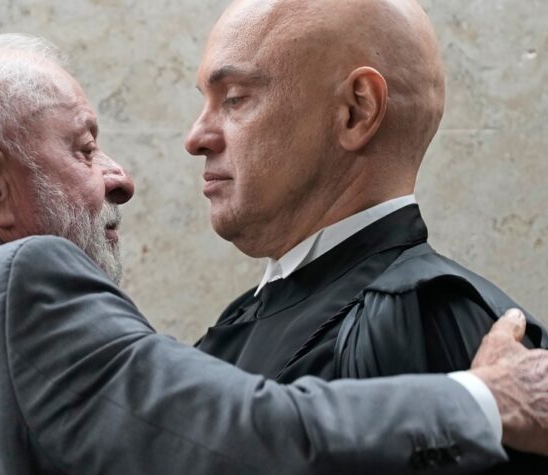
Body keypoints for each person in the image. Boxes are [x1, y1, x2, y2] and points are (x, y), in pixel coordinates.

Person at [0, 34, 547, 474]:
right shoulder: (22, 285)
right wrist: (487, 400)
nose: (121, 177)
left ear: (357, 110)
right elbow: (244, 435)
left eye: (235, 99)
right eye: (83, 147)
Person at [184, 0, 548, 470]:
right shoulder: (250, 313)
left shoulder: (421, 314)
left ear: (356, 111)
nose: (196, 137)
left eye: (234, 98)